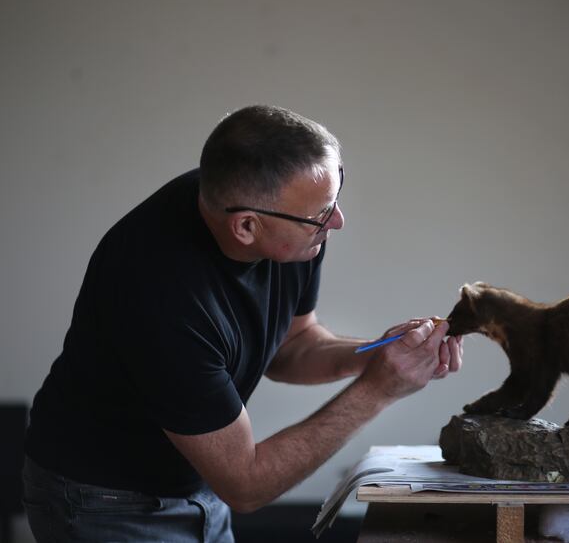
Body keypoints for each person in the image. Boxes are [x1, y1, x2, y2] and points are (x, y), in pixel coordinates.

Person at [23, 105, 464, 542]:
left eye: (336, 196)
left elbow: (295, 346)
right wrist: (379, 390)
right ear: (246, 227)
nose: (337, 221)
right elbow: (246, 486)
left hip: (199, 482)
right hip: (104, 500)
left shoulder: (292, 229)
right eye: (320, 216)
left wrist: (377, 355)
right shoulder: (160, 296)